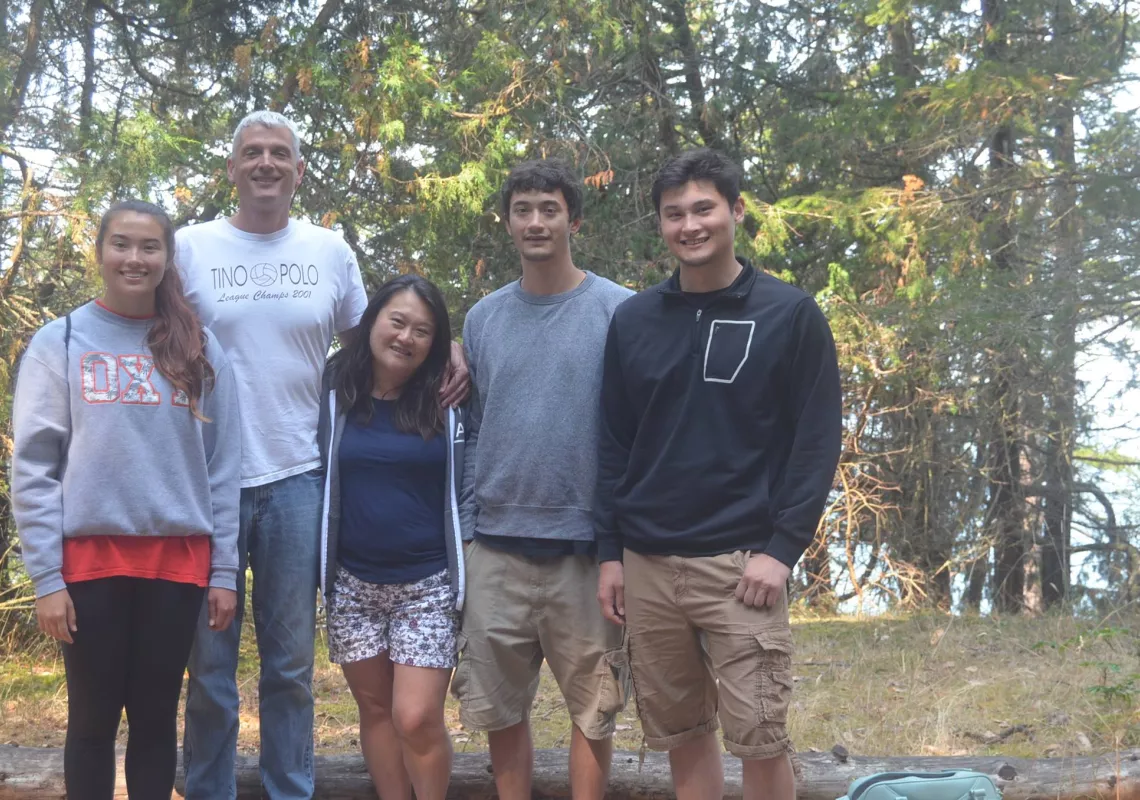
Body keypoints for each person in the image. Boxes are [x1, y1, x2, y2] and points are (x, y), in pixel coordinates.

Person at [176, 110, 469, 800]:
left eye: (280, 153)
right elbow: (149, 331)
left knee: (290, 667)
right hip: (207, 483)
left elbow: (385, 336)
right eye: (253, 152)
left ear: (300, 171)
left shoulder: (329, 252)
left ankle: (289, 790)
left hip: (300, 479)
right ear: (232, 168)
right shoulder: (190, 247)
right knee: (210, 667)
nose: (266, 163)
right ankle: (210, 789)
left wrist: (453, 346)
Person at [594, 148, 843, 800]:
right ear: (661, 225)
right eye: (674, 214)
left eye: (703, 208)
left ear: (735, 210)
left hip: (742, 567)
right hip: (647, 563)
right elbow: (614, 445)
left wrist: (782, 549)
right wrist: (610, 555)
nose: (690, 225)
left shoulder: (789, 315)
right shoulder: (634, 321)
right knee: (682, 734)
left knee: (760, 735)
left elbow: (815, 443)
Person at [11, 200, 240, 800]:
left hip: (178, 563)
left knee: (156, 717)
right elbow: (34, 468)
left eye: (149, 247)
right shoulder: (59, 342)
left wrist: (223, 571)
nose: (134, 258)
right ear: (101, 251)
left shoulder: (201, 348)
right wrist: (45, 579)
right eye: (121, 244)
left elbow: (222, 468)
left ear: (168, 258)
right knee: (91, 720)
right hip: (88, 563)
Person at [452, 159, 633, 800]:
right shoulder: (483, 319)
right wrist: (470, 533)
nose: (535, 221)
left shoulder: (618, 311)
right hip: (496, 547)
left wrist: (619, 545)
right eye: (523, 209)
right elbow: (472, 432)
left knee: (595, 708)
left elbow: (633, 436)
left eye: (549, 209)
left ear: (573, 220)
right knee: (499, 708)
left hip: (585, 550)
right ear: (508, 222)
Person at [316, 274, 465, 800]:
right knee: (376, 712)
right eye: (396, 321)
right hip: (353, 584)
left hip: (428, 584)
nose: (405, 337)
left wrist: (457, 348)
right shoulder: (334, 389)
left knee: (417, 716)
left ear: (436, 343)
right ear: (372, 322)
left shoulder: (449, 397)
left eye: (423, 331)